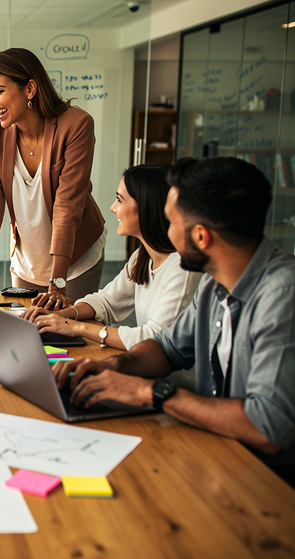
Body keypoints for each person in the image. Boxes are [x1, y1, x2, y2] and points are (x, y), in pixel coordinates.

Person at [54, 157, 295, 481]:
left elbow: (267, 427)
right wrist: (113, 368)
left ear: (200, 237)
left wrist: (149, 392)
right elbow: (167, 348)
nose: (165, 232)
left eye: (171, 222)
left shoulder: (282, 295)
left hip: (267, 478)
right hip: (215, 448)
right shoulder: (214, 280)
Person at [0, 48, 106, 308]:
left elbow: (67, 206)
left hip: (74, 259)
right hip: (27, 256)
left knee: (64, 334)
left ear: (29, 89)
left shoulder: (76, 125)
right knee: (23, 329)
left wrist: (57, 284)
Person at [23, 163, 201, 351]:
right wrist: (63, 315)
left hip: (175, 378)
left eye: (120, 200)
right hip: (143, 365)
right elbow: (107, 302)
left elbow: (154, 338)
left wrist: (77, 328)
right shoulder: (142, 257)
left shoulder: (183, 268)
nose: (113, 208)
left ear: (147, 206)